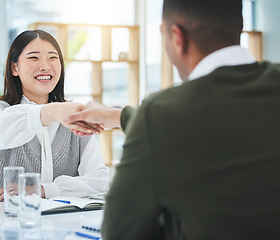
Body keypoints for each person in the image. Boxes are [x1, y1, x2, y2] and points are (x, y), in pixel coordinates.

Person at [65, 0, 280, 239]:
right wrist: (117, 116)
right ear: (239, 24)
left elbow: (120, 232)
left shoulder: (160, 114)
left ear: (177, 37)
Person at [0, 30, 109, 201]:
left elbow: (100, 180)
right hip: (0, 223)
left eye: (53, 57)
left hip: (60, 224)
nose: (45, 66)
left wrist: (44, 190)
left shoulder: (74, 119)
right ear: (14, 68)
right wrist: (53, 112)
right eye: (34, 58)